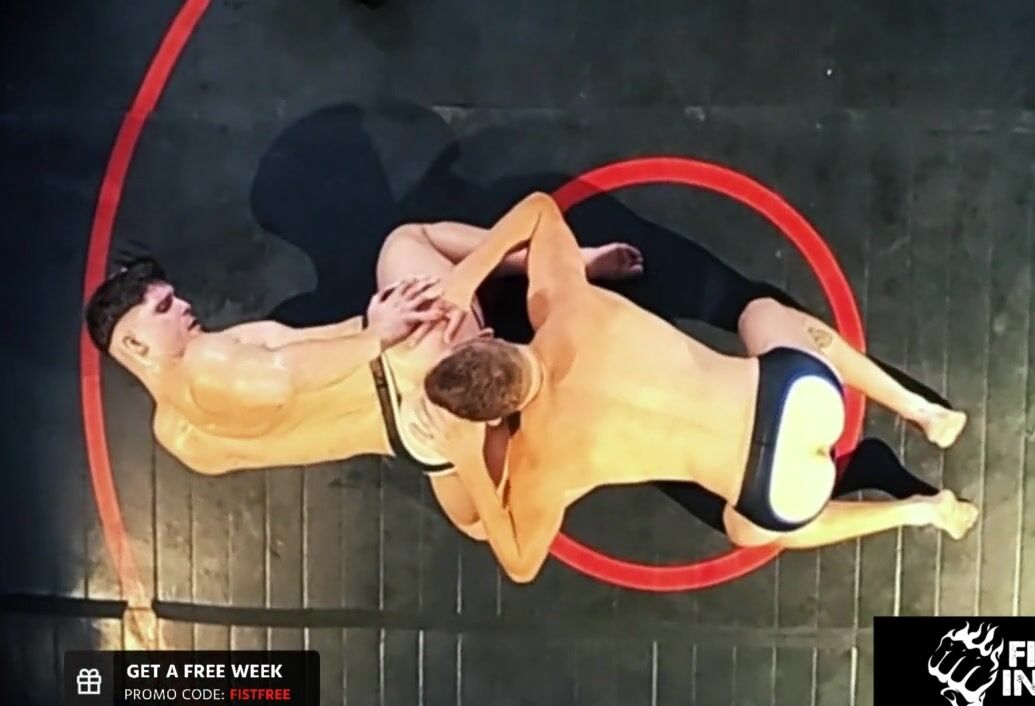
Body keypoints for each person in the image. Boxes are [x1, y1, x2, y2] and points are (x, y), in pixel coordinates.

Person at [413, 192, 979, 583]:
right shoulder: (563, 305)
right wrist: (467, 277)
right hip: (801, 397)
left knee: (751, 530)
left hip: (779, 489)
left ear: (495, 417)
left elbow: (520, 562)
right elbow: (539, 209)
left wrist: (465, 459)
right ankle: (920, 410)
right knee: (761, 313)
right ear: (488, 339)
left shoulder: (542, 459)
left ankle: (920, 512)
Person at [82, 221, 642, 538]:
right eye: (163, 308)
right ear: (134, 346)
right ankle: (570, 264)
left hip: (422, 446)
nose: (182, 305)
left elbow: (278, 403)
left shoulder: (179, 440)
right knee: (406, 242)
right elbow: (280, 382)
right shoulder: (202, 359)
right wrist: (377, 334)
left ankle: (567, 450)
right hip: (415, 360)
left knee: (478, 523)